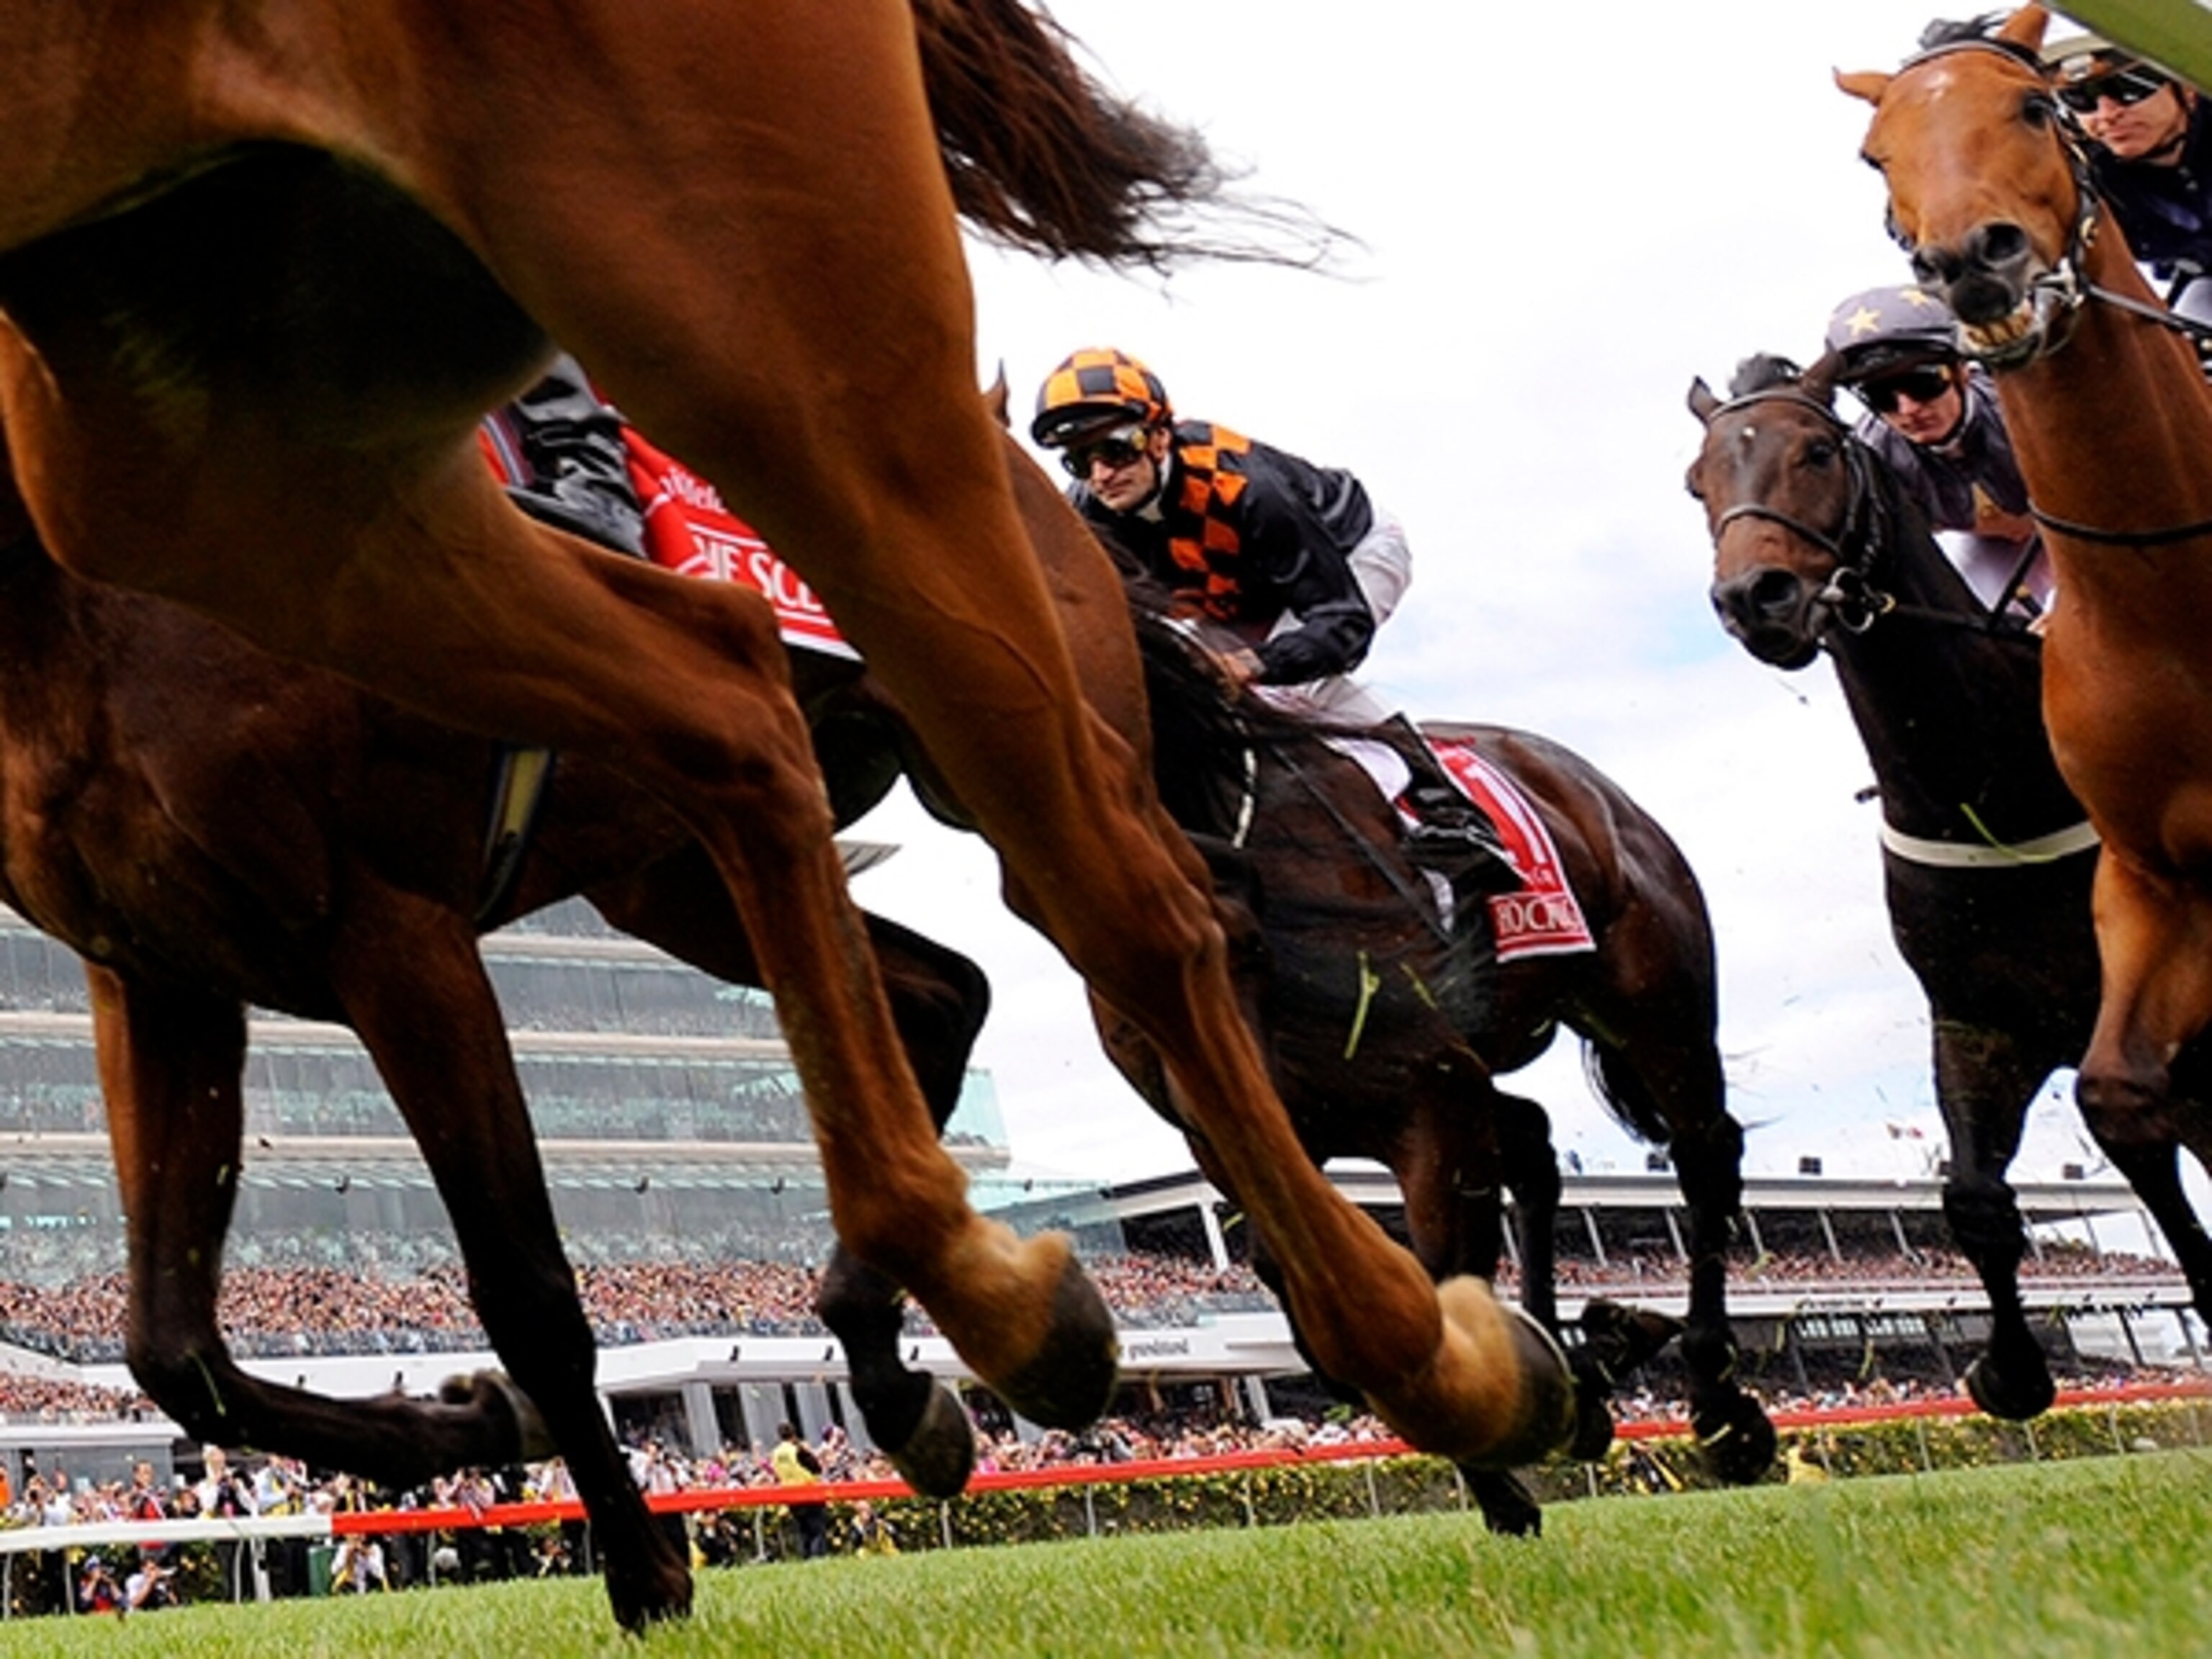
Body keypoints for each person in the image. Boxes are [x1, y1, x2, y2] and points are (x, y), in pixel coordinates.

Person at [1030, 347, 1516, 893]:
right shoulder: (1094, 515)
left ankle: (1453, 813)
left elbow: (1342, 624)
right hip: (1238, 586)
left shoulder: (1250, 489)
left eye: (1116, 449)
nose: (1100, 474)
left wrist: (1255, 662)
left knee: (1279, 695)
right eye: (1079, 461)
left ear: (1159, 436)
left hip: (1349, 555)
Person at [1822, 284, 2053, 617]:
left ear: (1962, 369)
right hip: (1994, 548)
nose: (1908, 409)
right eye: (1880, 396)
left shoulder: (2021, 406)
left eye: (1924, 383)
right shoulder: (1875, 455)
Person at [2041, 33, 2212, 325]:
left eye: (2130, 89)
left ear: (2187, 87)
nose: (2107, 115)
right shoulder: (2086, 176)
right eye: (2082, 99)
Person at [770, 1421, 828, 1560]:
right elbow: (816, 1468)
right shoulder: (797, 1450)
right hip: (809, 1493)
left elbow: (776, 1473)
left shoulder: (775, 1453)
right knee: (817, 1530)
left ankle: (806, 1557)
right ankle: (817, 1558)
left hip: (791, 1496)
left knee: (803, 1530)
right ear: (794, 1433)